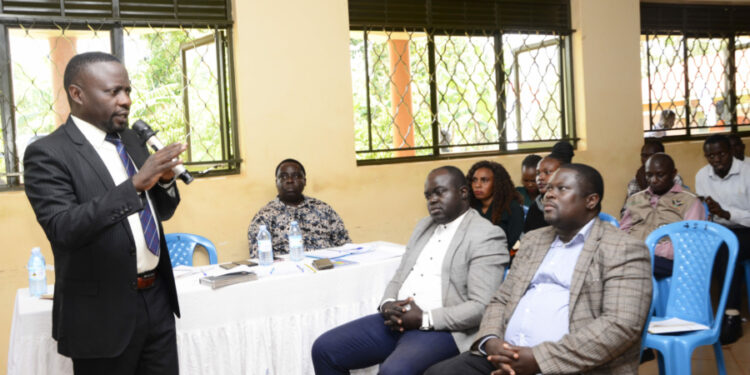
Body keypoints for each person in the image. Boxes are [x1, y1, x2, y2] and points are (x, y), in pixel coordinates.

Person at [23, 52, 185, 374]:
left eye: (127, 90)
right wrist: (136, 183)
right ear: (77, 94)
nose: (125, 100)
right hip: (101, 314)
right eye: (113, 92)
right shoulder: (48, 153)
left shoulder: (132, 141)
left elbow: (160, 212)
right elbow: (64, 227)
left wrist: (164, 182)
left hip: (156, 299)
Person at [425, 164, 652, 375]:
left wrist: (538, 359)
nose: (549, 194)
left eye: (561, 189)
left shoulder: (623, 248)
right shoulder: (534, 240)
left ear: (591, 200)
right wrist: (491, 341)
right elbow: (501, 300)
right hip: (504, 356)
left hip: (570, 365)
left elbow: (620, 325)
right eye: (549, 189)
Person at [311, 166, 509, 375]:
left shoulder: (486, 235)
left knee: (393, 372)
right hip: (398, 321)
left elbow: (481, 306)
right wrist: (387, 304)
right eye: (428, 195)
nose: (432, 200)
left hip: (444, 329)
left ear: (463, 193)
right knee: (324, 349)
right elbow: (400, 276)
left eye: (440, 192)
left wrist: (424, 319)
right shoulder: (424, 226)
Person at [696, 134, 750, 344]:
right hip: (719, 232)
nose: (716, 160)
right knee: (714, 248)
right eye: (710, 156)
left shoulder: (747, 171)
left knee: (728, 250)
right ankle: (700, 315)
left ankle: (731, 316)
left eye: (721, 154)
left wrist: (727, 214)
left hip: (745, 230)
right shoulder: (702, 175)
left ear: (731, 152)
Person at [620, 153, 706, 278]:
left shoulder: (690, 201)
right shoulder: (636, 199)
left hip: (670, 261)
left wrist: (649, 249)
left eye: (660, 175)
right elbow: (623, 231)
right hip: (635, 255)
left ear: (673, 173)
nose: (653, 180)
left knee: (632, 267)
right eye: (649, 175)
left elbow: (691, 243)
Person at [247, 158, 351, 258]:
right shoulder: (264, 216)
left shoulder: (323, 209)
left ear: (304, 181)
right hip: (289, 272)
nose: (290, 180)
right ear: (276, 182)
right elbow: (259, 257)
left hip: (326, 268)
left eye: (296, 176)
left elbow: (346, 245)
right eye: (283, 177)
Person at [467, 160, 524, 252]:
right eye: (474, 180)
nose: (477, 185)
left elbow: (514, 245)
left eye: (484, 180)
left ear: (497, 183)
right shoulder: (469, 208)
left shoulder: (512, 208)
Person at [523, 141, 574, 233]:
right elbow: (526, 239)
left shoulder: (575, 205)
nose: (540, 178)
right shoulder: (535, 208)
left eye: (547, 172)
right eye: (538, 173)